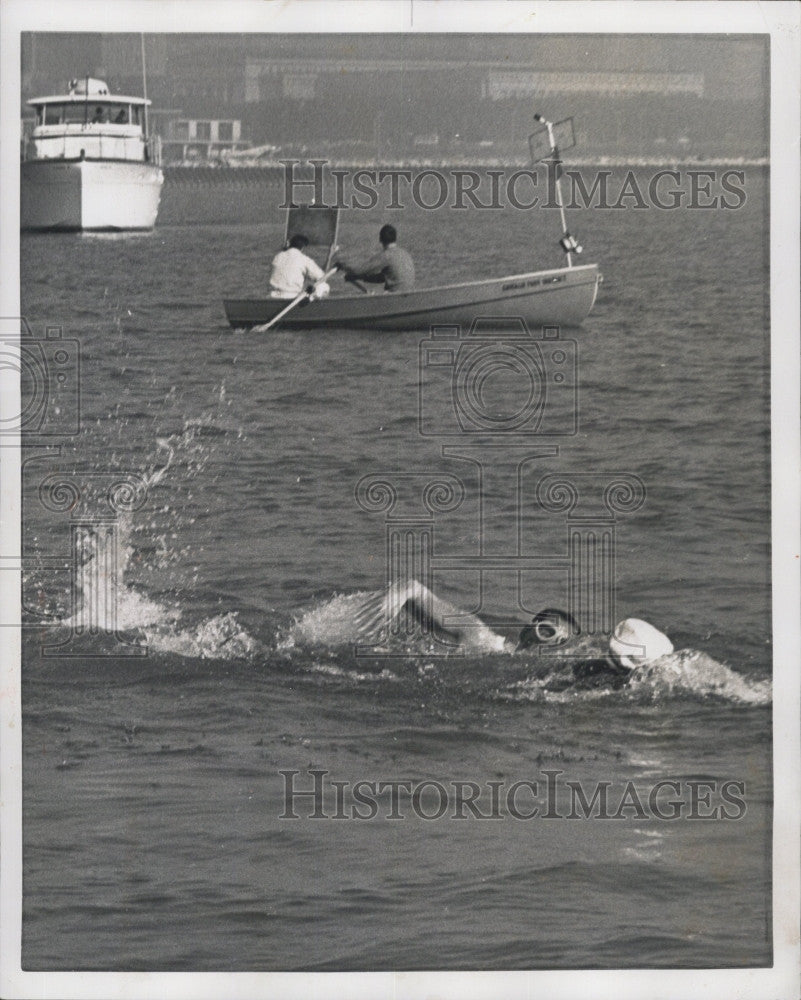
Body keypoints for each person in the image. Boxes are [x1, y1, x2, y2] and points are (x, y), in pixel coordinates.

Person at [337, 224, 415, 293]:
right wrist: (357, 277)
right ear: (395, 238)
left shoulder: (386, 255)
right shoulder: (405, 254)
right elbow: (382, 278)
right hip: (408, 295)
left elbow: (359, 270)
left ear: (380, 239)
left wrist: (342, 265)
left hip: (394, 296)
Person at [269, 234, 330, 300]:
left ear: (289, 244)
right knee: (324, 286)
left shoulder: (278, 256)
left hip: (273, 295)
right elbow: (323, 278)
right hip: (292, 296)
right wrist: (329, 256)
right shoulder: (304, 259)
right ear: (303, 247)